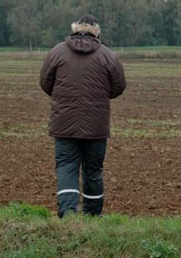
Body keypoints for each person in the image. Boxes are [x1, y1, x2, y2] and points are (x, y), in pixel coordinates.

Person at [40, 14, 126, 218]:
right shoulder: (108, 56)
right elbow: (119, 87)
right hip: (96, 126)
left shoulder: (56, 52)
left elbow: (45, 83)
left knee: (66, 167)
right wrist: (101, 97)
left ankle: (68, 215)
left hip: (64, 124)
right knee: (93, 169)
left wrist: (62, 97)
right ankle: (93, 216)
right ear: (96, 31)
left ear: (75, 29)